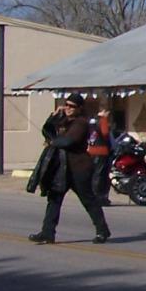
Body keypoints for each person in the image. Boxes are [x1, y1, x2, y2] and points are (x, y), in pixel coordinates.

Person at [28, 93, 111, 244]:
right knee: (54, 199)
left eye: (72, 106)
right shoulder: (64, 121)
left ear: (79, 108)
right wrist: (53, 117)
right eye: (66, 105)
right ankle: (47, 232)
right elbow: (47, 131)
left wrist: (53, 142)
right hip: (63, 168)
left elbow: (68, 141)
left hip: (79, 169)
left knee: (88, 200)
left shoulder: (81, 123)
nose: (68, 108)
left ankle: (102, 230)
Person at [87, 107, 116, 206]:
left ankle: (98, 197)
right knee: (100, 176)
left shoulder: (91, 122)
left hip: (92, 151)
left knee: (96, 175)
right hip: (100, 152)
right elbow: (105, 132)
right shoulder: (101, 121)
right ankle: (97, 197)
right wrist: (104, 119)